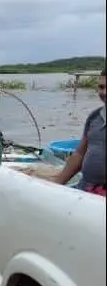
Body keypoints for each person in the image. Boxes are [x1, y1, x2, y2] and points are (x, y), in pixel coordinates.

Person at [52, 68, 107, 196]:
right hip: (85, 188)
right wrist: (55, 185)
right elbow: (79, 154)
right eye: (101, 87)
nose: (104, 92)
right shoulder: (95, 117)